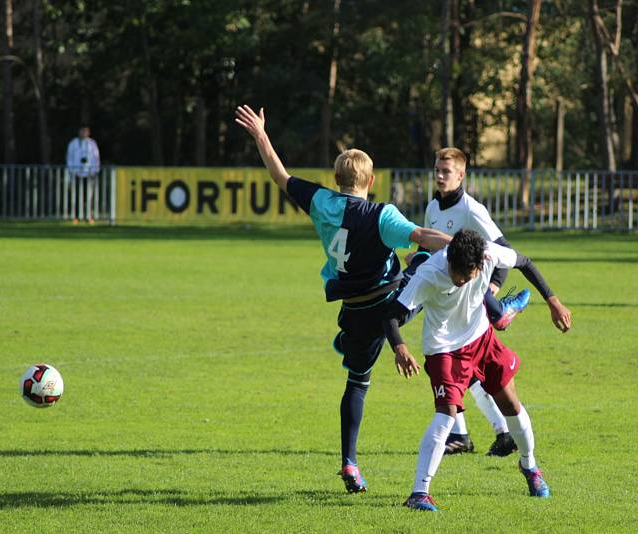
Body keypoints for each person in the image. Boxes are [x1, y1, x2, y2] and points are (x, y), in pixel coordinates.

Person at [234, 105, 452, 494]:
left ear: (337, 179)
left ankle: (349, 463)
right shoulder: (381, 214)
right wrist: (461, 244)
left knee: (357, 383)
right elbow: (421, 235)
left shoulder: (321, 202)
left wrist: (260, 135)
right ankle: (493, 307)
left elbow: (281, 176)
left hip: (353, 311)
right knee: (423, 261)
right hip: (390, 302)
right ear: (371, 180)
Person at [383, 229, 572, 511]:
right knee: (446, 416)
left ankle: (530, 467)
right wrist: (400, 347)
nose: (463, 280)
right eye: (457, 273)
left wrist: (552, 300)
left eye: (468, 274)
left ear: (480, 264)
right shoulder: (430, 273)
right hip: (444, 349)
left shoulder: (488, 253)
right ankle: (419, 494)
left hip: (482, 339)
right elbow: (391, 315)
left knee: (511, 404)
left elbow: (525, 263)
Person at [421, 147, 530, 457]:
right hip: (445, 300)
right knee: (461, 373)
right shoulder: (432, 208)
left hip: (468, 299)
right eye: (437, 170)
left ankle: (501, 311)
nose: (440, 176)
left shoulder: (472, 210)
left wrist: (493, 286)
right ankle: (482, 434)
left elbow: (504, 250)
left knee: (461, 369)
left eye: (446, 171)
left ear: (461, 175)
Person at [65, 126, 101, 224]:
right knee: (76, 195)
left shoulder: (92, 143)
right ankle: (76, 216)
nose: (84, 133)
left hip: (89, 173)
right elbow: (69, 157)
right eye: (82, 131)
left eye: (86, 131)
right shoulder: (73, 143)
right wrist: (72, 170)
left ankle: (89, 216)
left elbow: (96, 157)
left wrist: (94, 170)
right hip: (76, 173)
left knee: (88, 196)